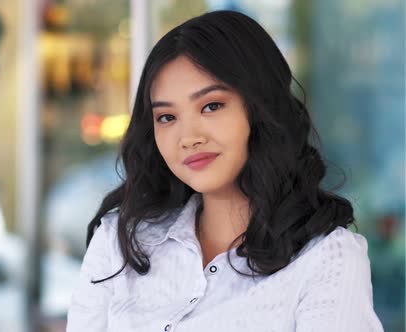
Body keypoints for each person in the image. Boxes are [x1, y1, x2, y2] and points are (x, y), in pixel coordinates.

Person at [66, 10, 383, 332]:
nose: (189, 138)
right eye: (166, 117)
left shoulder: (326, 259)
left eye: (211, 106)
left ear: (260, 107)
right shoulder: (119, 241)